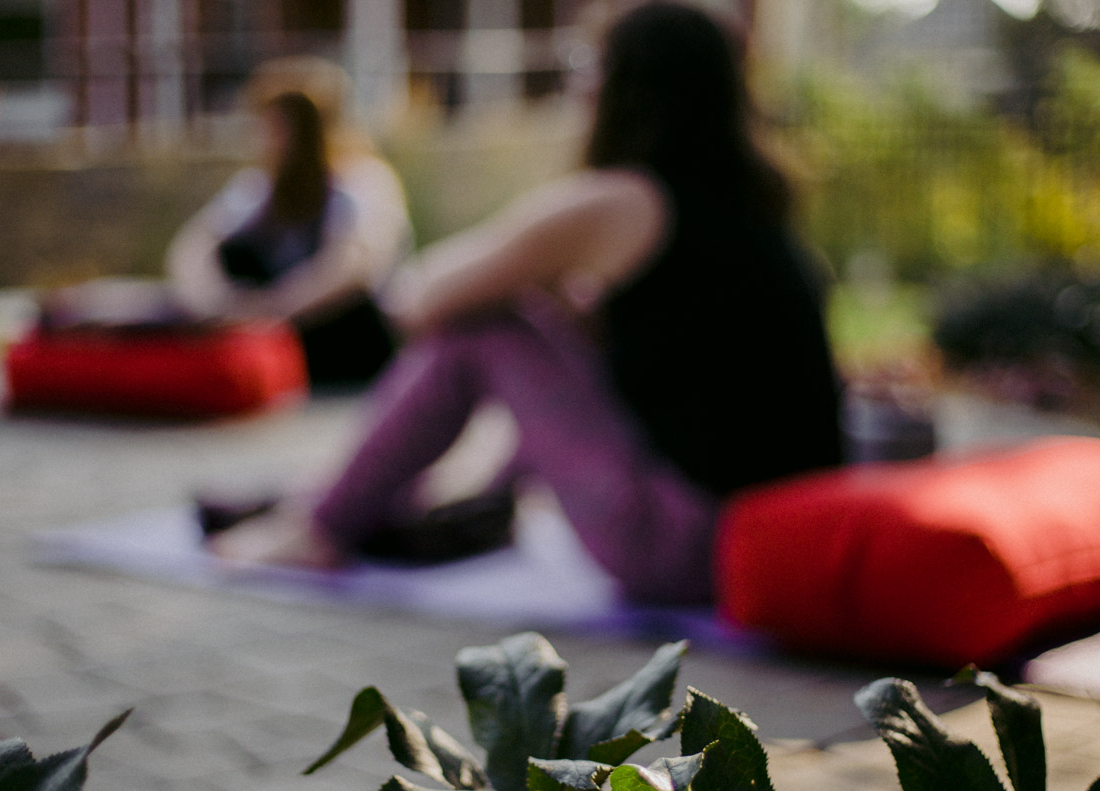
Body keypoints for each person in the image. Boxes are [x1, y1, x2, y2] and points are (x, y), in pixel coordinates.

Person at [209, 1, 843, 605]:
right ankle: (453, 501)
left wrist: (523, 280)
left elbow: (415, 298)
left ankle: (317, 528)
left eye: (586, 63)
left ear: (626, 86)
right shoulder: (750, 207)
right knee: (544, 325)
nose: (577, 84)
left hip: (679, 549)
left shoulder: (618, 200)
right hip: (761, 540)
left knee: (485, 332)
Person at [167, 57, 413, 384]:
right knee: (232, 254)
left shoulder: (362, 180)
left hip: (347, 334)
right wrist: (216, 305)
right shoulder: (261, 186)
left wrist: (270, 311)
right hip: (283, 325)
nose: (268, 141)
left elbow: (353, 268)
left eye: (280, 128)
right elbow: (194, 246)